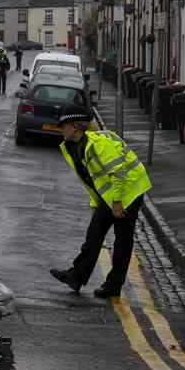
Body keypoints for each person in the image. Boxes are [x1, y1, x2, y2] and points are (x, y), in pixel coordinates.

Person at [49, 107, 153, 299]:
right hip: (114, 192)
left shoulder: (98, 143)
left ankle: (111, 285)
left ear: (75, 127)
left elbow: (119, 173)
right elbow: (92, 180)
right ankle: (77, 276)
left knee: (122, 239)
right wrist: (96, 203)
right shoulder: (71, 147)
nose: (60, 130)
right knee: (95, 233)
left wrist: (117, 202)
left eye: (63, 126)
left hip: (129, 189)